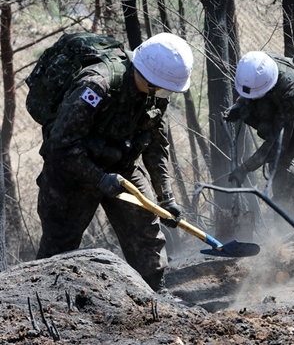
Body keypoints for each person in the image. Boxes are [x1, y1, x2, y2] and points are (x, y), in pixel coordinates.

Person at [35, 32, 193, 291]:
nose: (165, 94)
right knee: (58, 246)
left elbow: (155, 146)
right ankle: (46, 301)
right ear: (144, 75)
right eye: (162, 88)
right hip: (71, 170)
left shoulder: (156, 95)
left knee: (145, 227)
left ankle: (155, 290)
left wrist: (166, 198)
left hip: (120, 167)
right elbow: (60, 146)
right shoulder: (96, 86)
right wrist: (98, 179)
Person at [223, 51, 294, 225]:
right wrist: (239, 105)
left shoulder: (293, 92)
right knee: (279, 179)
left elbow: (276, 144)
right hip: (287, 126)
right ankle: (282, 231)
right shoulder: (259, 67)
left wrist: (245, 168)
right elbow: (249, 89)